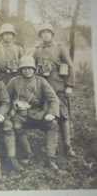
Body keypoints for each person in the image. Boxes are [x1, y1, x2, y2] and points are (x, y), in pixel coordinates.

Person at [7, 56, 60, 170]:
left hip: (38, 114)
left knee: (53, 125)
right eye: (24, 68)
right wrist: (11, 108)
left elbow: (53, 99)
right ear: (21, 70)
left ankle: (50, 158)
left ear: (34, 69)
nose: (27, 70)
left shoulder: (41, 82)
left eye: (30, 68)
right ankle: (27, 154)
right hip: (20, 114)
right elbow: (5, 99)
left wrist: (52, 113)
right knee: (16, 126)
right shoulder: (14, 82)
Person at [32, 23, 76, 157]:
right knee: (48, 116)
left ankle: (67, 147)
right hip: (44, 90)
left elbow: (71, 67)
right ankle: (50, 146)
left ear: (52, 34)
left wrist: (69, 86)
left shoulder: (59, 48)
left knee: (63, 116)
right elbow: (32, 69)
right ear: (40, 35)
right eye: (43, 32)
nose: (45, 34)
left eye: (48, 32)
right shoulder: (37, 50)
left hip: (58, 88)